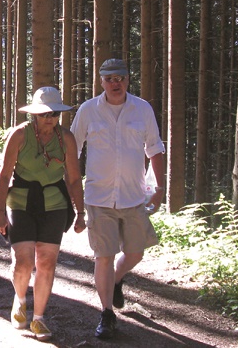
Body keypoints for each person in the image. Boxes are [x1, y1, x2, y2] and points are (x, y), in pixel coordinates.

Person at [70, 58, 166, 339]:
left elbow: (155, 148)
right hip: (99, 197)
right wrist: (71, 188)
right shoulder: (88, 110)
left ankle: (117, 281)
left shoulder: (142, 109)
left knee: (136, 252)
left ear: (127, 80)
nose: (115, 83)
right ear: (101, 81)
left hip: (134, 196)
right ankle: (106, 314)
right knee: (104, 257)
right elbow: (72, 149)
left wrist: (158, 189)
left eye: (120, 78)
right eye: (109, 78)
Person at [0, 87, 86, 341]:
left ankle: (39, 318)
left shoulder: (66, 138)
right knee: (23, 260)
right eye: (45, 113)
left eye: (55, 113)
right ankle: (20, 300)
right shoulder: (19, 135)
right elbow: (3, 175)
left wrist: (80, 212)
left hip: (54, 204)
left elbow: (74, 178)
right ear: (35, 114)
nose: (50, 118)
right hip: (20, 202)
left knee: (47, 262)